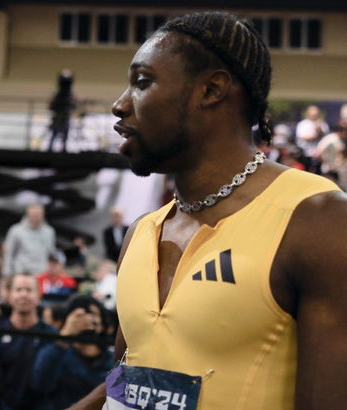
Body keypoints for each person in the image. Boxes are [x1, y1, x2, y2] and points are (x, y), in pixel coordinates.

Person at [70, 11, 347, 410]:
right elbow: (130, 380)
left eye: (142, 82)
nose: (119, 105)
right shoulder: (142, 232)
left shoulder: (317, 220)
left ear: (212, 89)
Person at [31, 295, 113, 410]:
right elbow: (39, 384)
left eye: (93, 314)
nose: (86, 319)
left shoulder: (112, 360)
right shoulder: (58, 351)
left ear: (103, 324)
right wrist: (65, 336)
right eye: (79, 315)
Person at [0, 273, 56, 409]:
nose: (23, 294)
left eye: (29, 290)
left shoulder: (52, 335)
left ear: (39, 296)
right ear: (9, 295)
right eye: (18, 290)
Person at [2, 204, 56, 276]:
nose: (36, 218)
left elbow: (51, 252)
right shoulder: (16, 230)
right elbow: (9, 253)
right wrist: (7, 272)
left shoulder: (49, 231)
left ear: (43, 215)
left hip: (42, 273)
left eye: (38, 215)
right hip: (21, 272)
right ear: (27, 215)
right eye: (33, 215)